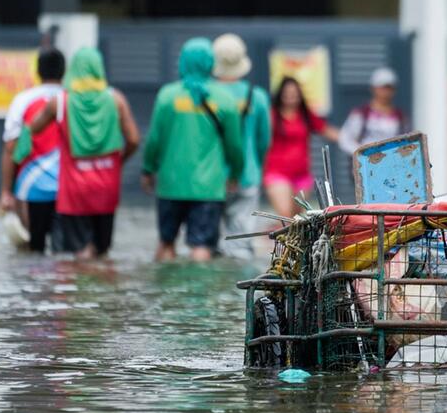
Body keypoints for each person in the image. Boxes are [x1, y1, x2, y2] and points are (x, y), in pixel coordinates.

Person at [31, 47, 140, 259]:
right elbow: (134, 139)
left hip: (75, 189)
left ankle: (82, 290)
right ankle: (103, 289)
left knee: (80, 252)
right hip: (107, 185)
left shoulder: (60, 102)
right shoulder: (115, 99)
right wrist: (120, 161)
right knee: (102, 250)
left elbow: (34, 127)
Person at [142, 38, 244, 262]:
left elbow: (154, 140)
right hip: (208, 187)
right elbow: (235, 146)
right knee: (201, 246)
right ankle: (199, 293)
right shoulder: (225, 99)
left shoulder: (167, 96)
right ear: (210, 64)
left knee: (166, 242)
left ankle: (165, 292)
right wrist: (235, 174)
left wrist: (148, 169)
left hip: (170, 185)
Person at [0, 48, 65, 252]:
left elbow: (11, 148)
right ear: (64, 71)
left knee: (32, 252)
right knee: (64, 256)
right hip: (67, 189)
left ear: (38, 71)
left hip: (31, 189)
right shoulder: (71, 99)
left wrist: (6, 191)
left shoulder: (22, 100)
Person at [212, 33, 271, 259]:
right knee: (242, 244)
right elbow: (263, 140)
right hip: (248, 174)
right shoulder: (256, 96)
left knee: (208, 246)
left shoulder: (207, 94)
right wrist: (255, 164)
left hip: (211, 178)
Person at [262, 76, 339, 218]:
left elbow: (327, 131)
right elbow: (259, 137)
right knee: (285, 216)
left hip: (302, 176)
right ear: (281, 95)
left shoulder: (305, 115)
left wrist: (354, 142)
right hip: (277, 173)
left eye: (294, 93)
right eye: (287, 93)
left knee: (297, 219)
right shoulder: (271, 115)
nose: (291, 97)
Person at [337, 66, 409, 155]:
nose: (385, 92)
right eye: (382, 87)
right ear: (373, 88)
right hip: (365, 165)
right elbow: (345, 139)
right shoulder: (360, 114)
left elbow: (407, 142)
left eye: (389, 88)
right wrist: (363, 154)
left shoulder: (401, 117)